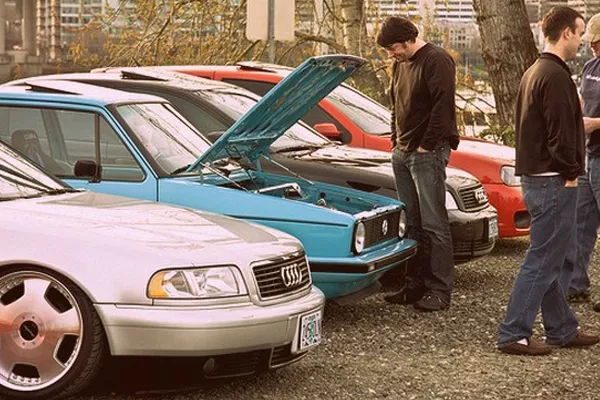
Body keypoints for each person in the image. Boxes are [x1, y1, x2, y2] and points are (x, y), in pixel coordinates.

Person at [497, 6, 599, 356]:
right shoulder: (554, 75)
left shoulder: (535, 71)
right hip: (553, 181)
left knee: (552, 257)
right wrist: (571, 174)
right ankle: (513, 332)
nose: (583, 41)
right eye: (580, 32)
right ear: (566, 33)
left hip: (540, 178)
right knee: (543, 258)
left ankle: (561, 328)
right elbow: (560, 136)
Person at [376, 16, 459, 312]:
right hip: (402, 152)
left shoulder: (437, 60)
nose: (391, 54)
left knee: (434, 223)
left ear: (409, 38)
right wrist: (396, 140)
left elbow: (443, 107)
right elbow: (395, 104)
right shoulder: (399, 65)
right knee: (411, 222)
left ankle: (439, 290)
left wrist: (426, 145)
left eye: (394, 47)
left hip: (428, 153)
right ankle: (414, 285)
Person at [560, 12, 600, 307]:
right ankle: (576, 284)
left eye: (597, 43)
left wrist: (594, 123)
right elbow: (584, 99)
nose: (592, 47)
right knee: (579, 224)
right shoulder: (589, 66)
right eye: (591, 42)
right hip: (587, 156)